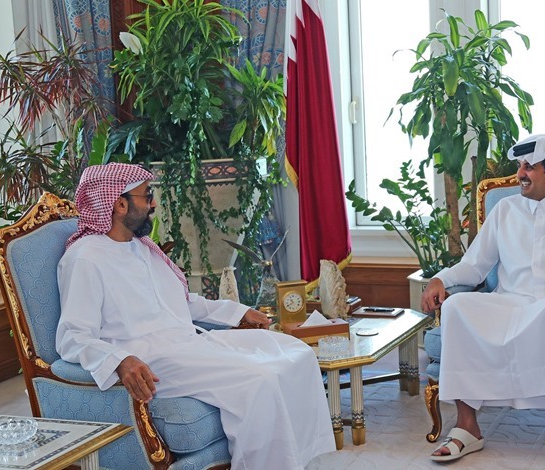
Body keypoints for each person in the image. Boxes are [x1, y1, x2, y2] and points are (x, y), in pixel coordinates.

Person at [55, 163, 336, 470]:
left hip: (191, 344)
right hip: (155, 360)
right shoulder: (85, 258)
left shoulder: (141, 249)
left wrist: (238, 311)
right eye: (146, 196)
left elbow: (182, 304)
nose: (153, 203)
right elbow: (72, 337)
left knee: (296, 353)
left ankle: (299, 461)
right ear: (120, 204)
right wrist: (120, 361)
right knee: (262, 379)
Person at [421, 135, 545, 467]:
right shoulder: (505, 209)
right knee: (457, 306)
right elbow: (475, 265)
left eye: (529, 167)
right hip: (509, 304)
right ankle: (467, 427)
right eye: (520, 166)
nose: (520, 174)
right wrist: (440, 279)